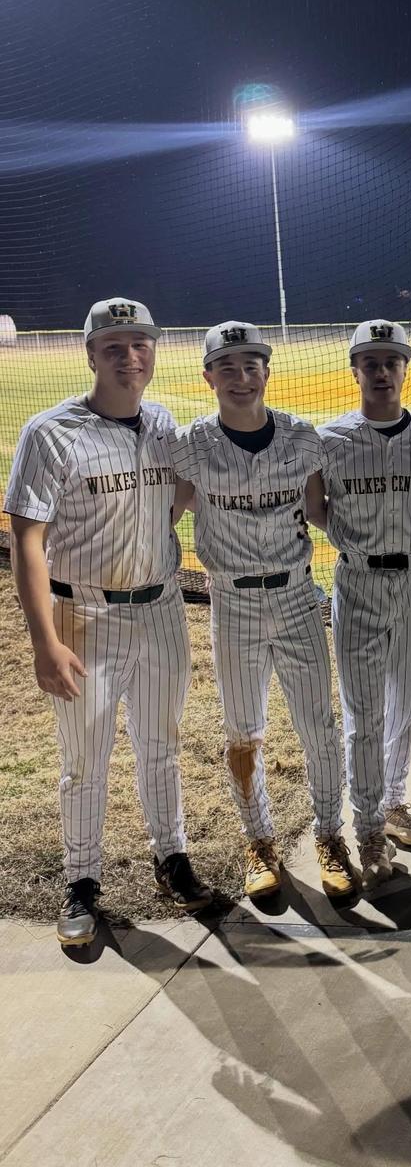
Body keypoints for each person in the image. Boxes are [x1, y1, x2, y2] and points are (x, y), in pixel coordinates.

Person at [5, 297, 211, 947]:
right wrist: (44, 642)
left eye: (140, 344)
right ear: (90, 354)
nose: (130, 356)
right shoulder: (51, 431)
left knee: (161, 747)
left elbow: (176, 498)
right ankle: (81, 883)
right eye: (115, 347)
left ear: (153, 351)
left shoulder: (164, 423)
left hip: (160, 610)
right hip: (82, 614)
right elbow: (26, 540)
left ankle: (171, 859)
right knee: (84, 761)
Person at [168, 322, 351, 899]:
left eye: (251, 366)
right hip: (234, 601)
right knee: (243, 732)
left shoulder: (301, 437)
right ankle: (260, 841)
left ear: (267, 373)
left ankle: (329, 836)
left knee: (319, 726)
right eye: (227, 366)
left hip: (298, 596)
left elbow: (322, 510)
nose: (241, 378)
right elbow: (166, 514)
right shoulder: (193, 445)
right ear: (208, 376)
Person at [315, 320, 411, 891]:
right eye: (369, 361)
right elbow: (315, 507)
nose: (380, 370)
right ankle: (368, 826)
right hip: (360, 584)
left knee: (406, 703)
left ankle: (394, 802)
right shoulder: (329, 439)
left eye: (390, 360)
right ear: (355, 370)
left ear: (404, 367)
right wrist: (353, 539)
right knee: (364, 712)